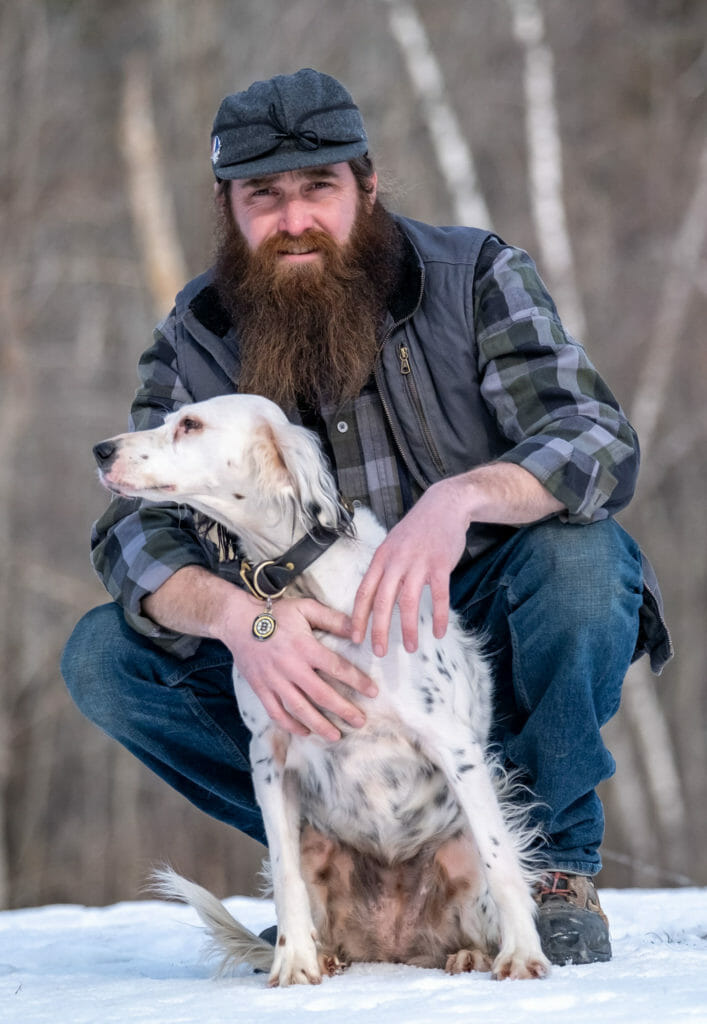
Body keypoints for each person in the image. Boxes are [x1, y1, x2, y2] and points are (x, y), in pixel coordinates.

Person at [61, 68, 671, 966]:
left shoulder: (471, 276)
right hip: (301, 637)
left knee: (583, 563)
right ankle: (326, 861)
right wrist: (242, 618)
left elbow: (594, 438)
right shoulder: (198, 333)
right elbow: (131, 532)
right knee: (107, 659)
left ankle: (546, 872)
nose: (293, 219)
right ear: (229, 207)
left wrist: (461, 499)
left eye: (319, 188)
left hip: (481, 615)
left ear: (368, 186)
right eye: (262, 196)